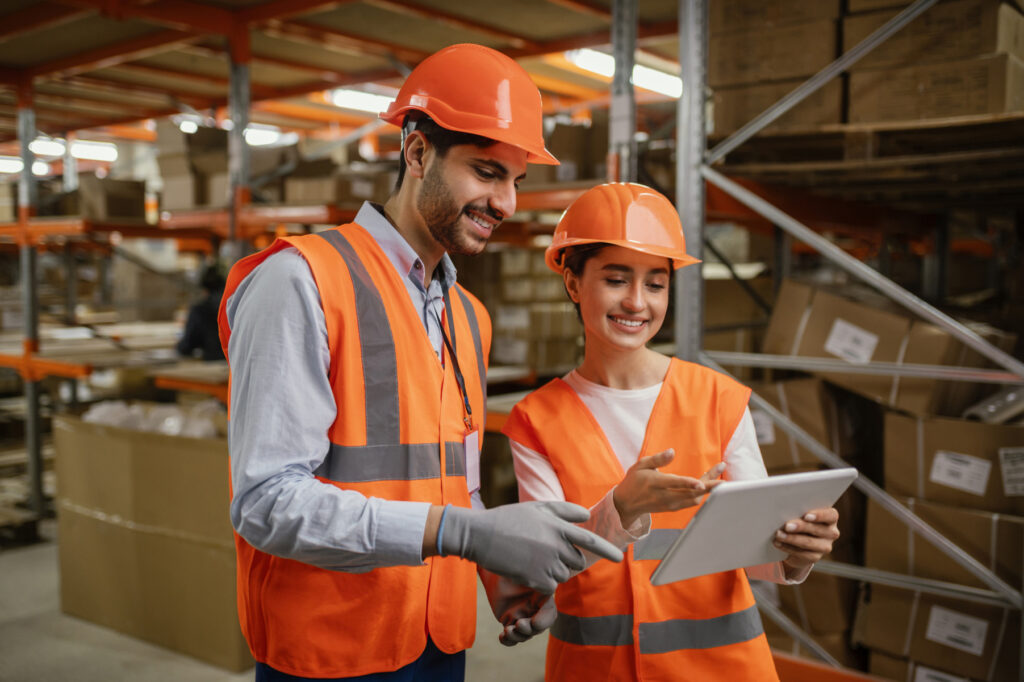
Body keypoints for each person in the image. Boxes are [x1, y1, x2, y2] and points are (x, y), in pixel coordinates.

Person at [217, 44, 623, 682]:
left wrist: (490, 565)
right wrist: (467, 536)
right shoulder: (301, 281)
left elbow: (447, 482)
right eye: (487, 173)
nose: (508, 204)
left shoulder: (467, 315)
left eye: (517, 181)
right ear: (416, 153)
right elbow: (267, 502)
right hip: (331, 651)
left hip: (438, 644)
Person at [501, 183, 841, 681]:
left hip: (722, 670)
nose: (637, 303)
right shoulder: (536, 420)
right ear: (573, 284)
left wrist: (795, 553)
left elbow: (759, 555)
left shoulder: (719, 399)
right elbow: (542, 567)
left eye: (656, 284)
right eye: (616, 280)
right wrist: (623, 507)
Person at [176, 264, 225, 361]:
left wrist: (178, 347)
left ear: (204, 289)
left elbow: (187, 345)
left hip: (212, 366)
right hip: (234, 367)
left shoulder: (200, 310)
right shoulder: (233, 306)